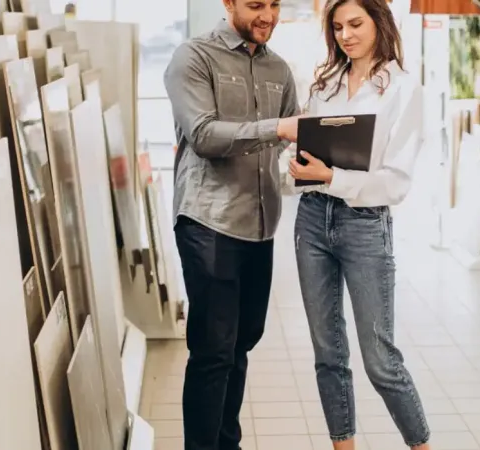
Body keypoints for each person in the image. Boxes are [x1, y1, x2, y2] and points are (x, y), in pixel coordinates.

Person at [283, 0, 431, 449]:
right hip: (311, 218)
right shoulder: (325, 84)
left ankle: (421, 445)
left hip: (364, 225)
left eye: (355, 24)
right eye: (338, 27)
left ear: (379, 22)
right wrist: (294, 167)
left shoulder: (403, 89)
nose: (346, 34)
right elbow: (303, 148)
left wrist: (333, 177)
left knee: (380, 359)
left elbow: (396, 182)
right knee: (328, 355)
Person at [162, 1, 302, 449]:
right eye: (256, 4)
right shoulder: (194, 57)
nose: (268, 15)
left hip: (259, 225)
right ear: (228, 3)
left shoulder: (279, 68)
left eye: (275, 4)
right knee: (213, 351)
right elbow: (203, 135)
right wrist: (277, 129)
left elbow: (292, 138)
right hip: (209, 222)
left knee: (241, 343)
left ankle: (227, 443)